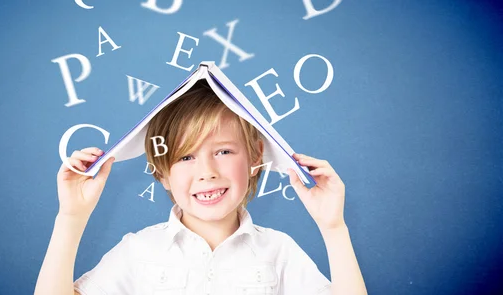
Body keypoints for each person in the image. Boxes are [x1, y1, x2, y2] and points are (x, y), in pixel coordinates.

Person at [35, 82, 367, 295]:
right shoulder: (139, 251)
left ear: (254, 158)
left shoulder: (279, 251)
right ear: (162, 172)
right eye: (185, 157)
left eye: (223, 151)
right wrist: (70, 217)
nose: (207, 172)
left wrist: (333, 227)